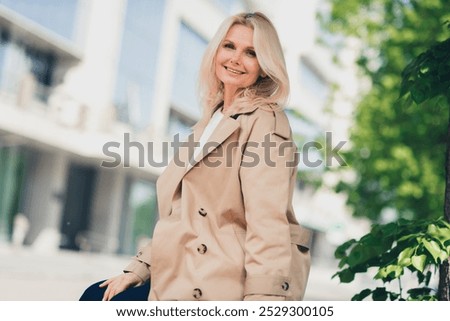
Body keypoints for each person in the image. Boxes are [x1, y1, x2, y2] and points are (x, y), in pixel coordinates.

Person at [80, 11, 312, 301]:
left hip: (220, 278)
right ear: (216, 51)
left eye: (250, 52)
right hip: (185, 269)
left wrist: (264, 301)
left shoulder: (265, 120)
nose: (235, 58)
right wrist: (138, 269)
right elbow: (181, 218)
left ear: (264, 67)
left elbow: (268, 222)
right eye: (229, 46)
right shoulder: (210, 121)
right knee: (96, 296)